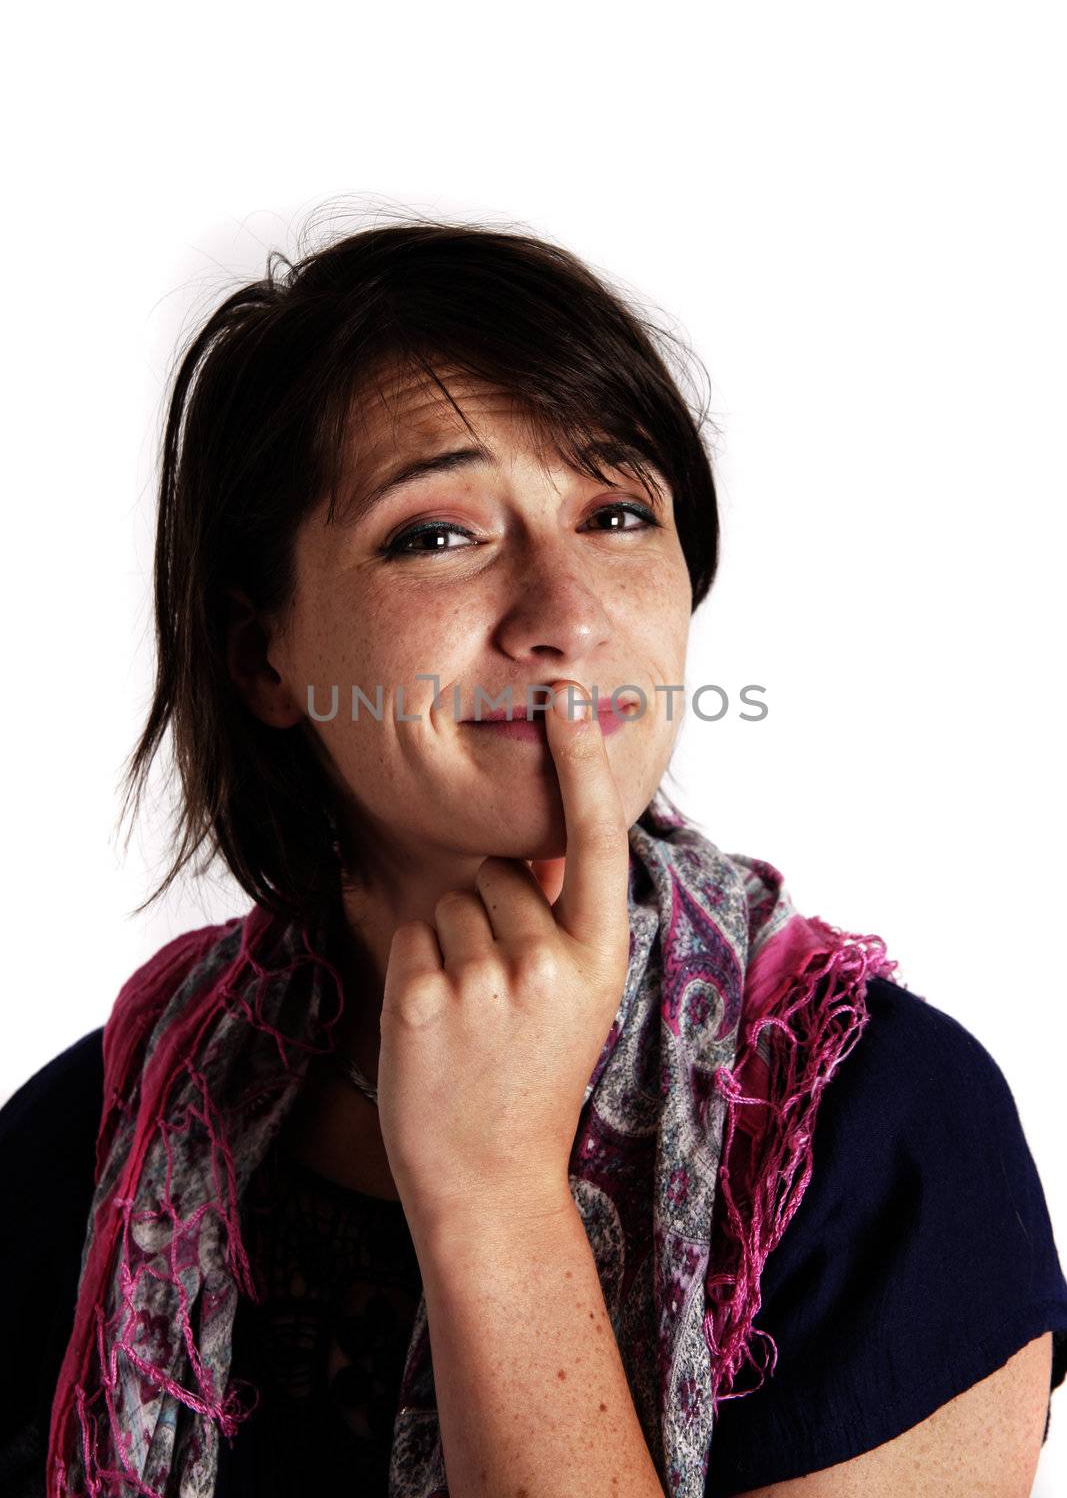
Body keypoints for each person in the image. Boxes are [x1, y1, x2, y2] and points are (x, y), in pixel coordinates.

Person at [2, 218, 1065, 1498]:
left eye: (616, 513)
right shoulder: (101, 1135)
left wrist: (497, 1196)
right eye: (435, 534)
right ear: (263, 657)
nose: (565, 614)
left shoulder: (873, 1130)